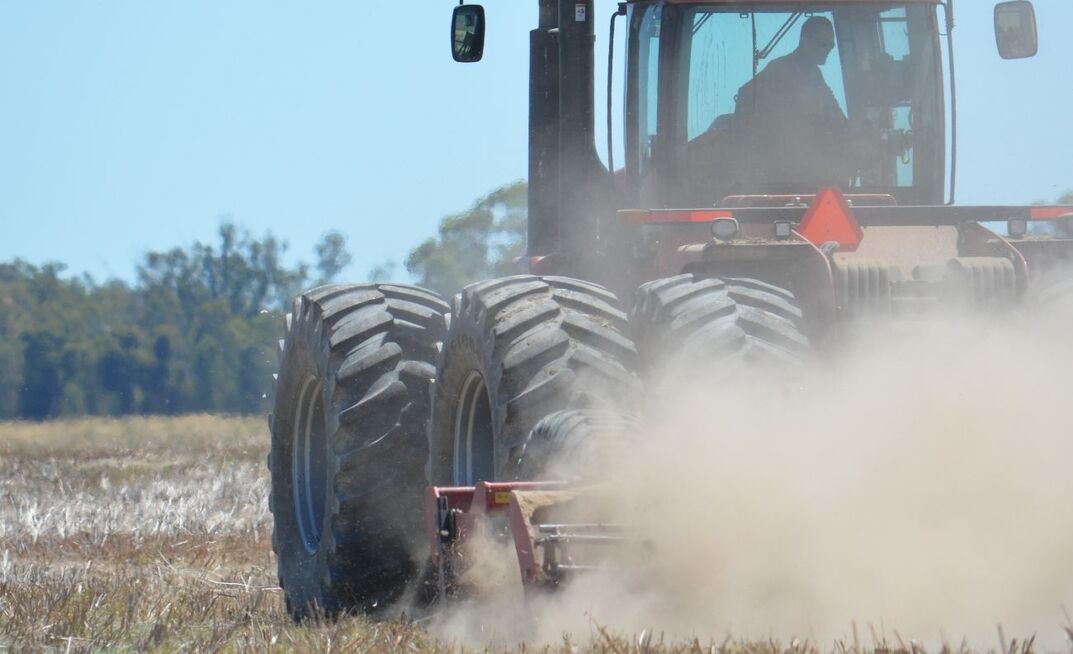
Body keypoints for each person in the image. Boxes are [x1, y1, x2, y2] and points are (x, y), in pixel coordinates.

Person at [732, 16, 854, 191]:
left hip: (812, 173)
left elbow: (836, 119)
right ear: (804, 41)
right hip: (783, 180)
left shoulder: (814, 75)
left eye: (831, 45)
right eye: (823, 44)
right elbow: (745, 97)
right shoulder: (779, 70)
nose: (828, 50)